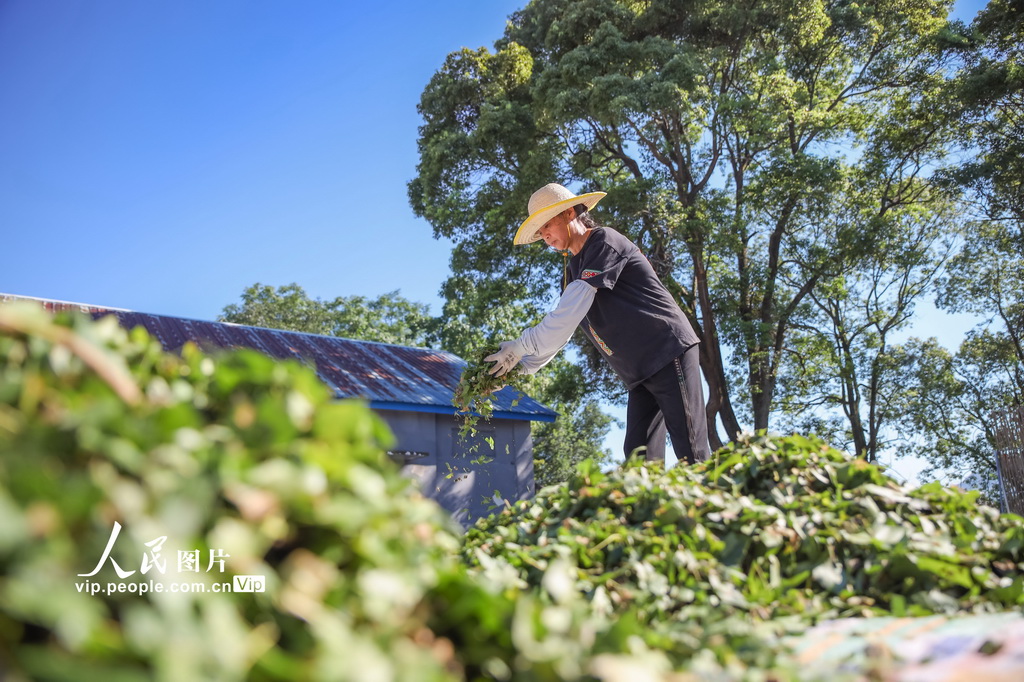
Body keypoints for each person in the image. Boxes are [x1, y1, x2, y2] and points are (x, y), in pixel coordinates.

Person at [485, 182, 711, 465]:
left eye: (547, 225)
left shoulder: (603, 242)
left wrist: (519, 347)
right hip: (639, 373)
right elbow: (564, 329)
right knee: (639, 462)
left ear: (569, 214)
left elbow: (571, 309)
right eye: (540, 232)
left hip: (668, 351)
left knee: (692, 451)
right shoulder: (570, 274)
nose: (544, 236)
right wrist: (517, 369)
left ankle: (724, 506)